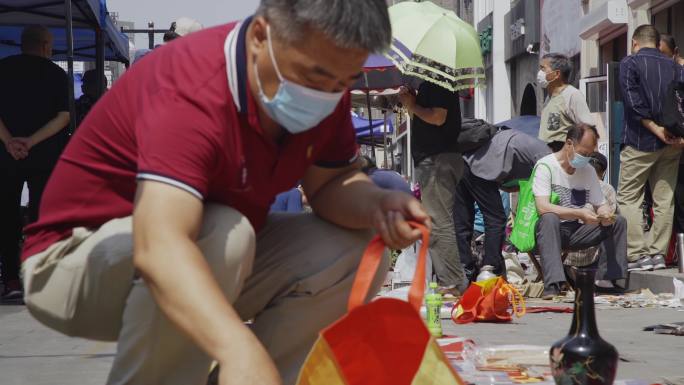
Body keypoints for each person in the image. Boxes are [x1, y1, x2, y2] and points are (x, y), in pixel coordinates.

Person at [20, 3, 429, 385]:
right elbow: (160, 244)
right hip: (71, 263)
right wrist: (238, 349)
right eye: (316, 76)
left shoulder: (325, 88)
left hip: (198, 251)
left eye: (343, 82)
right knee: (223, 232)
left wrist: (378, 203)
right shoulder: (191, 85)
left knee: (353, 254)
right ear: (260, 36)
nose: (326, 96)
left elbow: (331, 185)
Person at [0, 25, 70, 300]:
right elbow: (63, 117)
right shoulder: (55, 74)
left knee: (7, 216)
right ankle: (38, 275)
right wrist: (31, 141)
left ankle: (10, 279)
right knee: (42, 215)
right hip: (44, 156)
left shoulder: (2, 69)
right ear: (44, 45)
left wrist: (9, 142)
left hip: (5, 156)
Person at [617, 24, 684, 272]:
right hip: (673, 143)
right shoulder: (674, 66)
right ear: (657, 44)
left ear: (635, 42)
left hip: (640, 140)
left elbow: (633, 103)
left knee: (629, 196)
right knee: (664, 198)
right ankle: (657, 253)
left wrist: (655, 129)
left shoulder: (630, 63)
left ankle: (637, 254)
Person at [533, 124, 627, 299]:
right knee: (549, 218)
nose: (585, 159)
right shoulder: (545, 166)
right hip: (548, 231)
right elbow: (542, 207)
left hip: (576, 231)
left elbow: (600, 203)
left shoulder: (589, 171)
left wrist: (606, 214)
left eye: (589, 155)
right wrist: (580, 214)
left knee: (618, 222)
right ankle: (553, 283)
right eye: (583, 154)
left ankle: (606, 280)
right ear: (569, 144)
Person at [456, 128, 551, 281]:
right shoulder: (547, 156)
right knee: (496, 219)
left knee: (463, 221)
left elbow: (506, 181)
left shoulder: (528, 144)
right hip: (479, 166)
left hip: (462, 163)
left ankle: (464, 271)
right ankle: (491, 269)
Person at [398, 80, 466, 295]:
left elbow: (438, 117)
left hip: (437, 160)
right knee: (437, 221)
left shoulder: (439, 82)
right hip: (435, 159)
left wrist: (412, 105)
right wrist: (414, 102)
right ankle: (450, 280)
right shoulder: (433, 83)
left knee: (438, 222)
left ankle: (453, 282)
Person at [537, 53, 594, 152]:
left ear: (557, 74)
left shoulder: (572, 95)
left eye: (543, 68)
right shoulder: (548, 99)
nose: (539, 73)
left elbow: (588, 130)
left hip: (563, 160)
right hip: (546, 159)